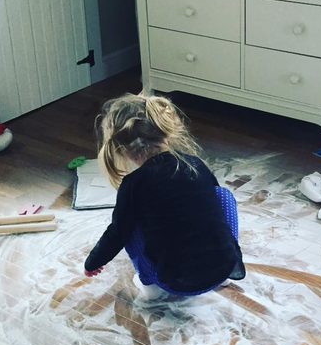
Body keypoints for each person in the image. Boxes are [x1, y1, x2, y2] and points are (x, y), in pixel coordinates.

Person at [84, 93, 245, 299]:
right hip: (224, 268)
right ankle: (222, 276)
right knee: (221, 196)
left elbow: (117, 234)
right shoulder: (194, 164)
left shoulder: (134, 183)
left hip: (175, 282)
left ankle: (150, 288)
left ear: (121, 149)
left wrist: (93, 263)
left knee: (129, 224)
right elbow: (208, 208)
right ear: (165, 134)